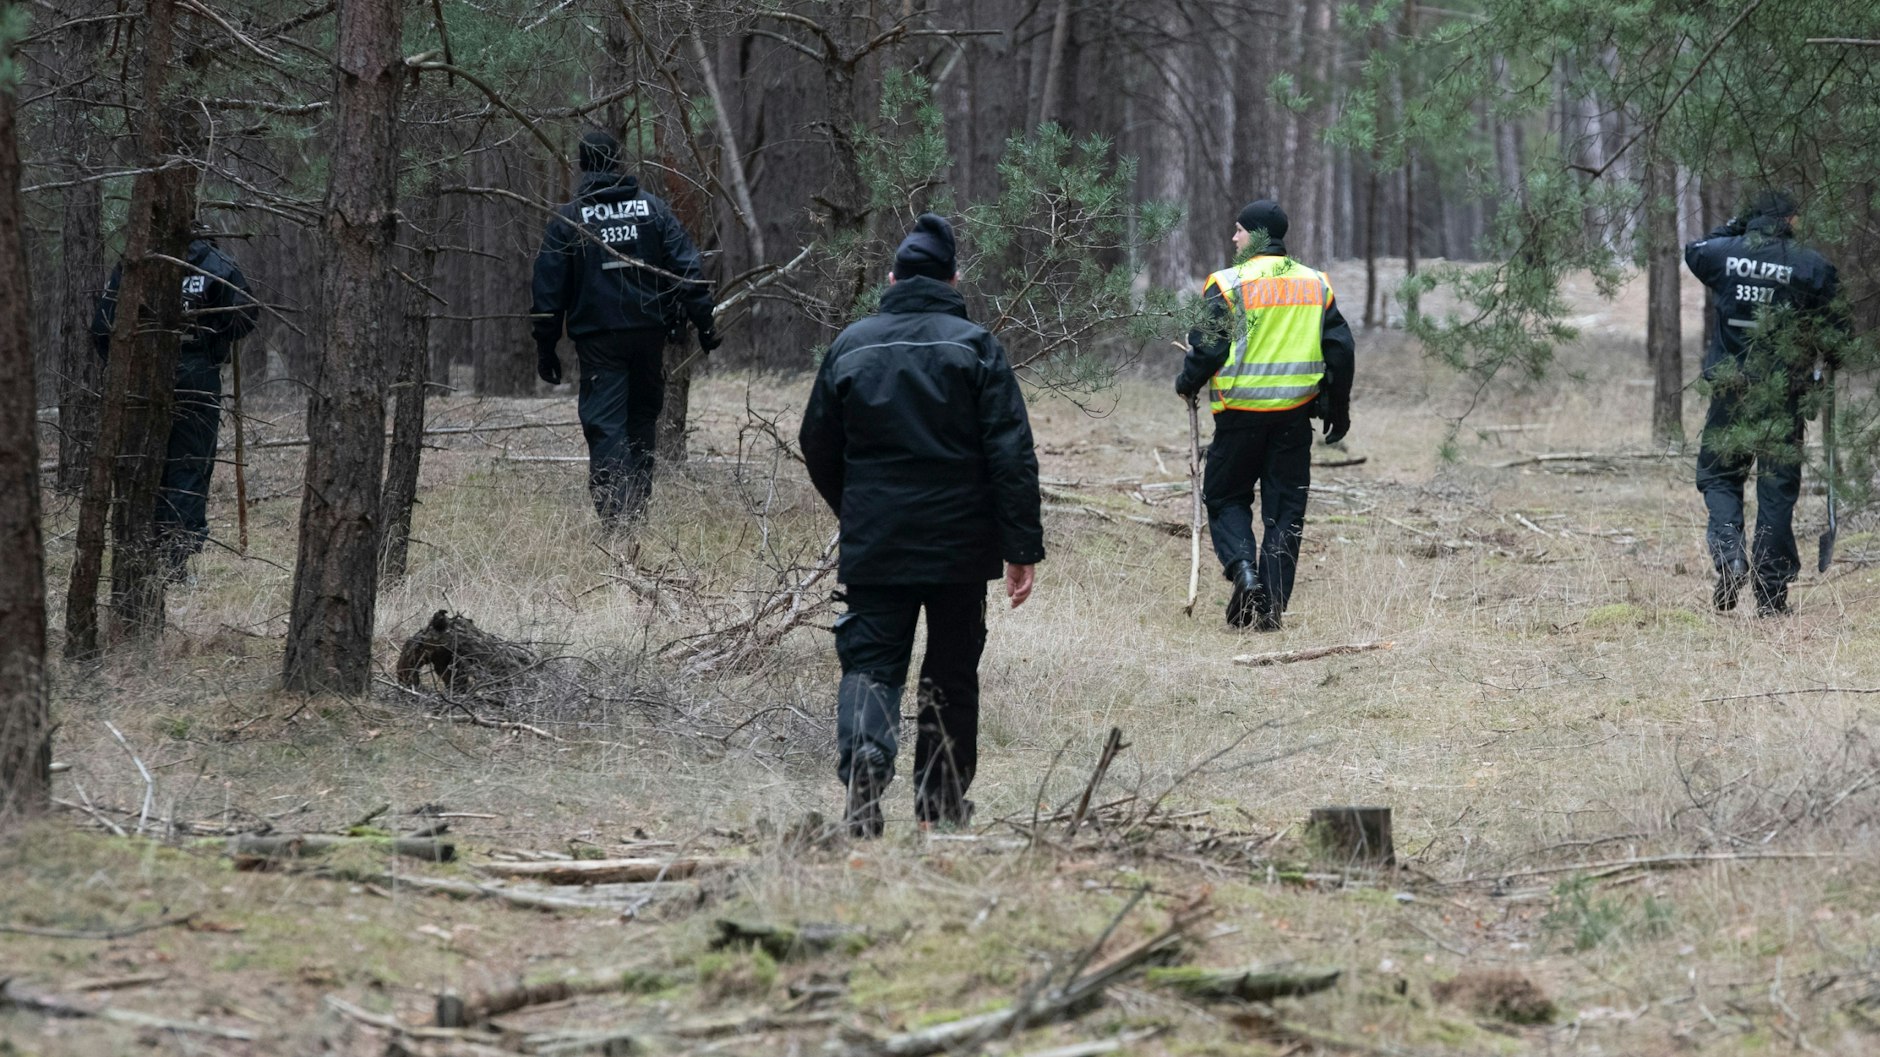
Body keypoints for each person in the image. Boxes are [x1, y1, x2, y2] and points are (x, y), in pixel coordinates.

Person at [798, 213, 1045, 838]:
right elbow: (1011, 453)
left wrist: (857, 509)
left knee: (872, 664)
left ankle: (863, 768)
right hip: (960, 548)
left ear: (892, 278)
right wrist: (1020, 548)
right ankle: (940, 807)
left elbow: (816, 444)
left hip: (877, 541)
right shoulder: (976, 346)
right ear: (954, 278)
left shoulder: (851, 345)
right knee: (951, 673)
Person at [1175, 199, 1355, 631]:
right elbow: (1341, 350)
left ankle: (1243, 570)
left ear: (1254, 235)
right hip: (1294, 419)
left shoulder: (1228, 282)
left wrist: (1187, 382)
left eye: (1238, 230)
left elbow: (1210, 346)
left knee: (1223, 497)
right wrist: (1338, 407)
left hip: (1238, 418)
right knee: (1286, 511)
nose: (1233, 238)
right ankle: (1269, 608)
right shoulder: (1315, 284)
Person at [530, 130, 719, 526]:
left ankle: (618, 520)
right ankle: (632, 513)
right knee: (640, 420)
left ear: (583, 165)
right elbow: (689, 271)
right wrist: (704, 323)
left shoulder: (570, 219)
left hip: (600, 341)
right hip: (649, 334)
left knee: (606, 424)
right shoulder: (653, 210)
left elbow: (548, 293)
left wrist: (545, 348)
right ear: (618, 162)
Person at [1685, 189, 1845, 616]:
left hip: (1730, 391)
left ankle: (1730, 556)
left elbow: (1696, 249)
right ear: (1790, 219)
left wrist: (1740, 226)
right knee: (1776, 493)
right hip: (1784, 397)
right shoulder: (1811, 265)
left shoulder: (1722, 254)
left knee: (1719, 477)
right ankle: (1772, 596)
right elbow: (1839, 335)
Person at [91, 220, 258, 582]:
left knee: (146, 460)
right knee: (188, 463)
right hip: (189, 373)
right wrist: (213, 342)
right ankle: (172, 560)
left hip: (153, 372)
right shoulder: (214, 261)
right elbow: (245, 313)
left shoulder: (141, 261)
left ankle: (155, 556)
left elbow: (102, 327)